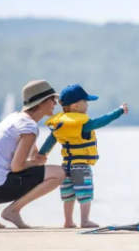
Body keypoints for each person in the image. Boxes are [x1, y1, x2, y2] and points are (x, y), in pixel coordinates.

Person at [0, 80, 65, 229]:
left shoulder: (14, 118)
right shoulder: (29, 126)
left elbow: (28, 153)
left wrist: (36, 158)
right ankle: (13, 210)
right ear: (40, 103)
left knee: (1, 167)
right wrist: (36, 163)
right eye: (52, 99)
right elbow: (17, 166)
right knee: (59, 173)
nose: (55, 103)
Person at [39, 84, 128, 228]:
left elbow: (49, 142)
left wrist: (41, 155)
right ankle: (85, 220)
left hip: (65, 166)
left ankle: (68, 221)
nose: (87, 105)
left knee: (68, 195)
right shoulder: (83, 125)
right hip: (81, 166)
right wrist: (118, 111)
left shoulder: (59, 125)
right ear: (75, 106)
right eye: (85, 102)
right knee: (85, 194)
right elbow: (103, 121)